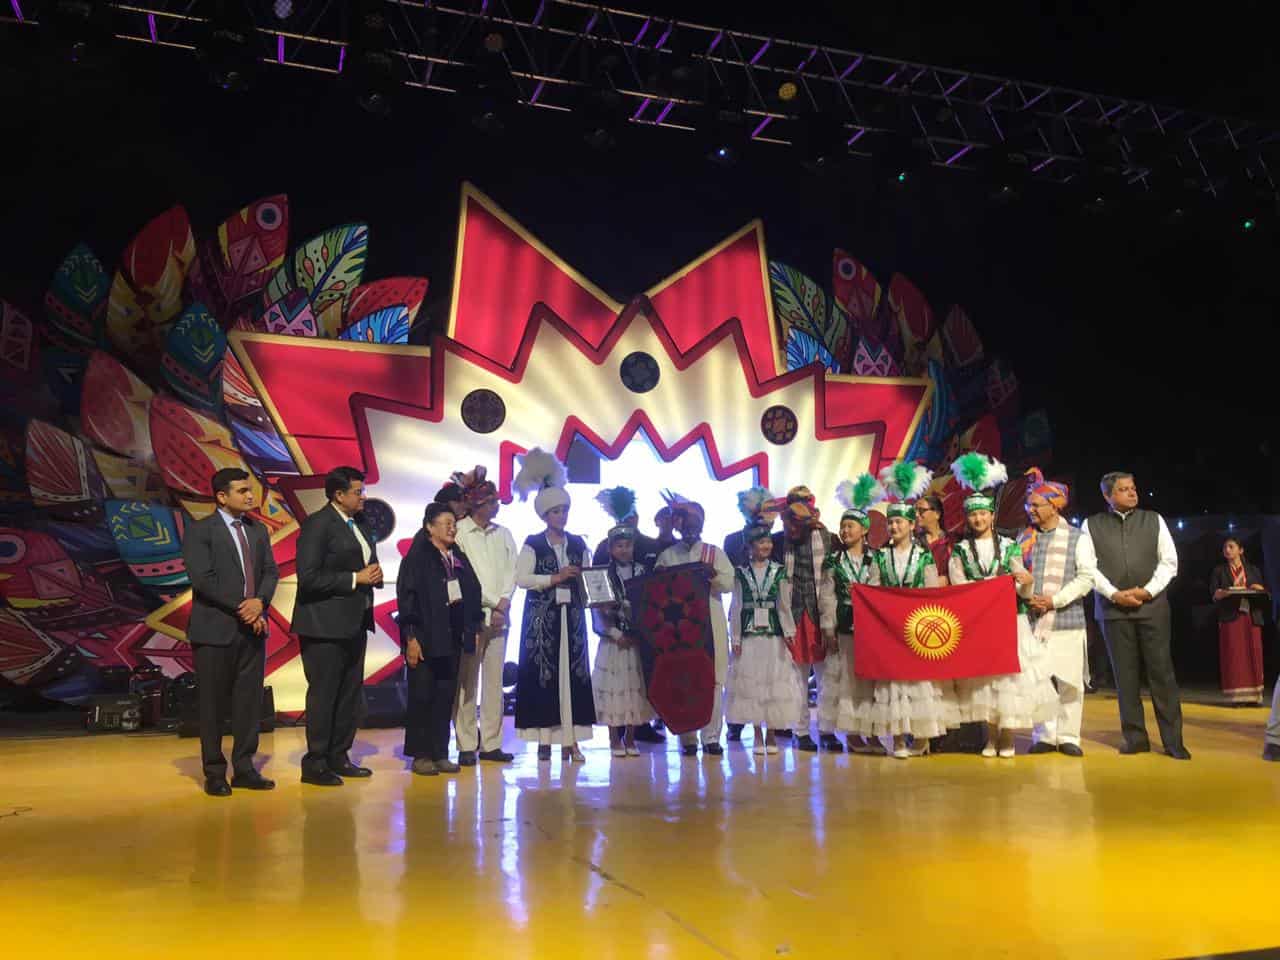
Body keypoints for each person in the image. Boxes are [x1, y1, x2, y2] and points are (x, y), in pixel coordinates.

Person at [948, 454, 1056, 759]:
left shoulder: (1009, 547)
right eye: (973, 515)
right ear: (968, 519)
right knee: (985, 682)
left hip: (1010, 622)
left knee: (1009, 680)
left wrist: (1027, 582)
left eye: (983, 514)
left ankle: (1007, 736)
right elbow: (959, 588)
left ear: (992, 516)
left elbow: (1022, 589)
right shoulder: (960, 550)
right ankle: (991, 736)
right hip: (979, 623)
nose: (978, 520)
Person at [182, 468, 280, 796]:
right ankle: (214, 772)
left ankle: (245, 768)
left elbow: (270, 572)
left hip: (252, 631)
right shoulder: (201, 531)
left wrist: (260, 602)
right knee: (212, 705)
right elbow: (203, 580)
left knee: (248, 704)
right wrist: (245, 608)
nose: (250, 496)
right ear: (222, 497)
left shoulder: (258, 530)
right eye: (242, 491)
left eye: (250, 490)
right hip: (215, 630)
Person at [1082, 472, 1189, 759]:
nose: (1132, 493)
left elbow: (1169, 562)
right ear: (1107, 496)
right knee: (1125, 677)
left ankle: (1173, 741)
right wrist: (1114, 594)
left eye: (1133, 488)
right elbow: (1088, 568)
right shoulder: (1092, 525)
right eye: (1123, 489)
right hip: (1113, 611)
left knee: (1162, 674)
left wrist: (1147, 591)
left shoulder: (1153, 520)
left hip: (1152, 608)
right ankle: (1135, 738)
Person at [292, 465, 383, 786]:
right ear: (338, 494)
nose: (364, 497)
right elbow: (308, 577)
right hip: (323, 624)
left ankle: (339, 755)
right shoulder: (318, 524)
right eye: (358, 492)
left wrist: (373, 574)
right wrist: (354, 578)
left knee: (349, 694)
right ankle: (315, 762)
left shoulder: (359, 522)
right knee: (325, 694)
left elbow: (363, 562)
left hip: (355, 621)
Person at [866, 462, 957, 758]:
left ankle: (921, 738)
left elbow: (932, 593)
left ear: (910, 525)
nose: (894, 527)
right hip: (890, 629)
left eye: (899, 523)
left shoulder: (924, 556)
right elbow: (873, 590)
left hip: (916, 628)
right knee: (893, 683)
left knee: (919, 682)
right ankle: (898, 739)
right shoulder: (881, 556)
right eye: (890, 523)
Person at [511, 449, 595, 762]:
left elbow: (590, 578)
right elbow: (521, 578)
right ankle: (544, 740)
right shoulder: (533, 543)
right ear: (545, 516)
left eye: (564, 510)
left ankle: (571, 740)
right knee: (543, 675)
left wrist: (592, 589)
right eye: (556, 511)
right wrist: (554, 578)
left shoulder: (578, 543)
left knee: (572, 676)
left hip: (571, 618)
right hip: (542, 620)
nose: (562, 516)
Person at [397, 503, 484, 775]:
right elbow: (407, 599)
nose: (452, 528)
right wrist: (411, 637)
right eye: (446, 523)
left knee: (445, 696)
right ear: (429, 527)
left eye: (454, 523)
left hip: (452, 638)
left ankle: (440, 752)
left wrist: (473, 627)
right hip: (425, 638)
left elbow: (473, 591)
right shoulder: (417, 558)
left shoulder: (457, 556)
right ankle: (421, 755)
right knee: (422, 695)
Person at [1019, 468, 1097, 757]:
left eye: (1036, 505)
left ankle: (1068, 736)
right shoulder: (1025, 539)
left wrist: (1054, 601)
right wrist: (1027, 594)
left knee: (1070, 682)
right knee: (1039, 681)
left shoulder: (1078, 538)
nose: (1030, 510)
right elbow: (1017, 575)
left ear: (1054, 506)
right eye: (1028, 505)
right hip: (1033, 621)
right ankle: (1044, 735)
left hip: (1067, 620)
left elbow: (1086, 578)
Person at [656, 499, 735, 757]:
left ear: (701, 525)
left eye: (694, 525)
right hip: (679, 628)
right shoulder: (668, 555)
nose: (689, 530)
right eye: (685, 525)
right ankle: (687, 737)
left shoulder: (714, 553)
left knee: (714, 679)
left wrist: (713, 575)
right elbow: (656, 590)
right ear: (677, 527)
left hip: (711, 624)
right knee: (683, 679)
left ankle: (711, 737)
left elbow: (729, 583)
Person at [452, 465, 518, 764]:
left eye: (496, 501)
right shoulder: (460, 532)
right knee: (467, 681)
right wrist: (494, 604)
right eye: (491, 501)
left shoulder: (503, 533)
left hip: (501, 616)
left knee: (494, 682)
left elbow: (512, 570)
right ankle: (466, 743)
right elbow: (467, 577)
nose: (496, 506)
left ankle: (492, 743)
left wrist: (504, 603)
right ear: (477, 503)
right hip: (474, 616)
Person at [771, 485, 842, 752]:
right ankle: (800, 731)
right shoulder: (779, 541)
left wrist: (831, 620)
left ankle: (827, 730)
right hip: (792, 612)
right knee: (796, 678)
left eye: (804, 503)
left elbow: (834, 579)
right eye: (795, 503)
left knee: (826, 675)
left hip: (822, 613)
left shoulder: (829, 538)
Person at [821, 473, 884, 754]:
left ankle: (872, 732)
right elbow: (827, 596)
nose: (845, 531)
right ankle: (854, 734)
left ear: (864, 530)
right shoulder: (833, 561)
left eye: (850, 526)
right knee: (849, 681)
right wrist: (828, 628)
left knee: (871, 682)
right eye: (842, 526)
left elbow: (880, 590)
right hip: (845, 628)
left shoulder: (876, 558)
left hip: (870, 631)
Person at [725, 524, 802, 755]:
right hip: (750, 637)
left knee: (773, 684)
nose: (766, 546)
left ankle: (771, 734)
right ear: (750, 547)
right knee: (754, 685)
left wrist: (789, 632)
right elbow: (736, 605)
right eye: (761, 542)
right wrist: (735, 637)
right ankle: (757, 734)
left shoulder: (779, 571)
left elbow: (783, 605)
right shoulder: (740, 573)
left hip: (773, 636)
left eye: (768, 541)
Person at [590, 489, 654, 757]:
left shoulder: (642, 572)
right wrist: (615, 633)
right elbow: (597, 611)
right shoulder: (601, 575)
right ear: (610, 549)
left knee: (634, 689)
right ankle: (614, 738)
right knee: (613, 689)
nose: (624, 549)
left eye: (628, 545)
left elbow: (649, 606)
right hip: (613, 642)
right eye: (619, 546)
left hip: (636, 641)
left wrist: (640, 632)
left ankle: (630, 737)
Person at [722, 485, 779, 741]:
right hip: (743, 609)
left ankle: (773, 722)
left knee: (770, 672)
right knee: (744, 670)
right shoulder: (733, 540)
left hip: (770, 614)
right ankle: (737, 723)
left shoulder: (774, 539)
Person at [1210, 537, 1267, 704]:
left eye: (1231, 547)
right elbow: (1214, 593)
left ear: (1240, 550)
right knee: (1234, 655)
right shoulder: (1219, 571)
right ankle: (1236, 697)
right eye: (1225, 548)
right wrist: (1221, 593)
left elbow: (1262, 593)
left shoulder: (1253, 570)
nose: (1227, 550)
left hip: (1250, 615)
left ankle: (1255, 696)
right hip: (1230, 616)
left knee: (1253, 653)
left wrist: (1259, 589)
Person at [590, 486, 665, 568]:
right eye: (623, 519)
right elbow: (595, 573)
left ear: (637, 517)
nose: (627, 521)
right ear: (616, 520)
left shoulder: (652, 545)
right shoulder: (604, 547)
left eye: (630, 517)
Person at [914, 492, 952, 586]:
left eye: (921, 510)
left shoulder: (952, 541)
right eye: (915, 510)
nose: (916, 514)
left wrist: (948, 579)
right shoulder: (914, 543)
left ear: (937, 514)